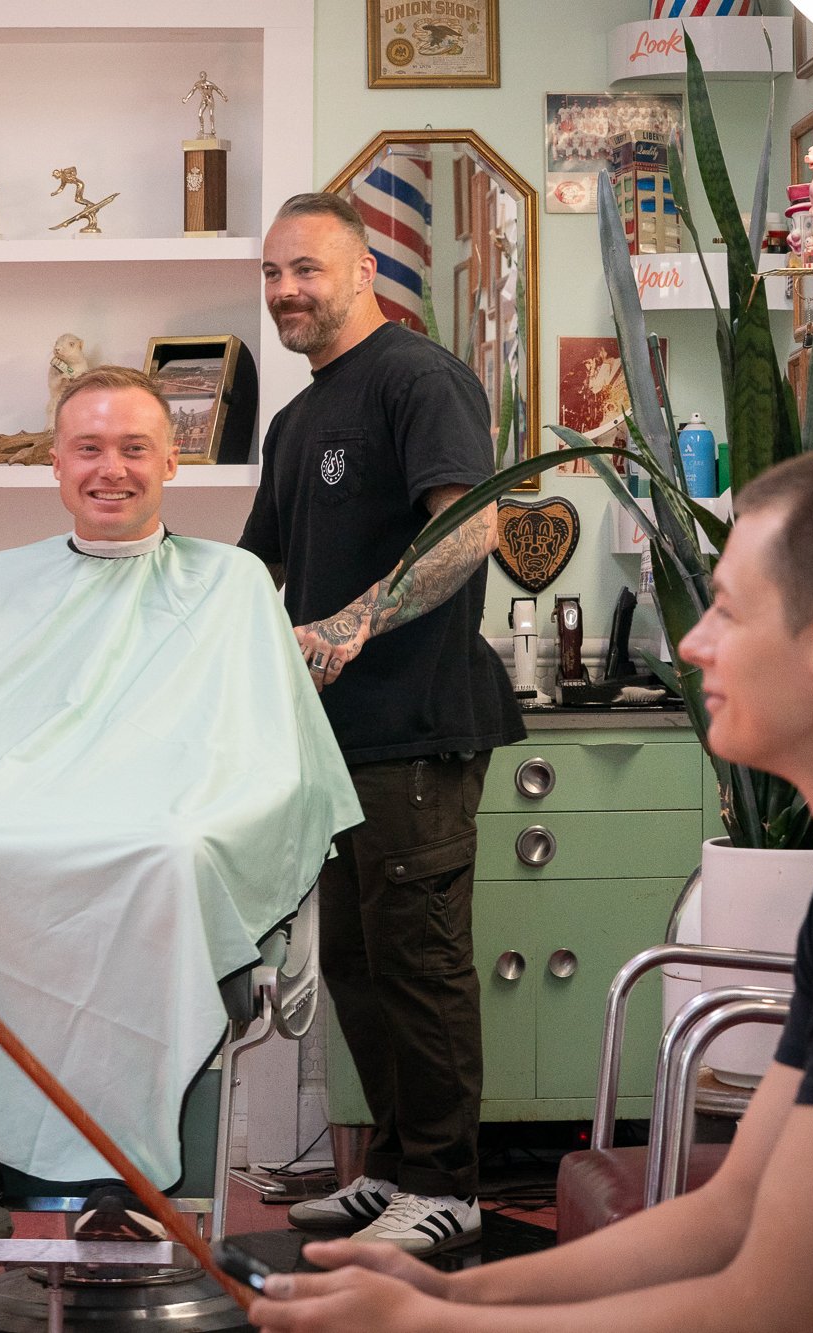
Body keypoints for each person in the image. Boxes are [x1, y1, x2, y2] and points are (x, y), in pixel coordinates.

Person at [247, 445, 813, 1333]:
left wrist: (423, 1326)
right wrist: (447, 1290)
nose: (695, 644)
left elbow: (779, 1305)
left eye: (729, 611)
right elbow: (732, 1209)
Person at [0, 366, 361, 1321]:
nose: (110, 469)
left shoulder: (232, 584)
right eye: (89, 448)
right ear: (55, 461)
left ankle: (128, 1182)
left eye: (133, 449)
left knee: (164, 857)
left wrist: (204, 820)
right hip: (14, 835)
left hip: (155, 835)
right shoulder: (2, 583)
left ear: (173, 460)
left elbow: (280, 762)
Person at [241, 192, 522, 1255]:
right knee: (357, 962)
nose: (284, 292)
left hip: (415, 726)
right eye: (271, 275)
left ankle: (447, 1183)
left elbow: (470, 528)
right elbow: (251, 570)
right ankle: (396, 1165)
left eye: (304, 270)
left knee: (419, 960)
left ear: (362, 272)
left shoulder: (418, 377)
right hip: (330, 742)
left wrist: (356, 621)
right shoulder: (294, 418)